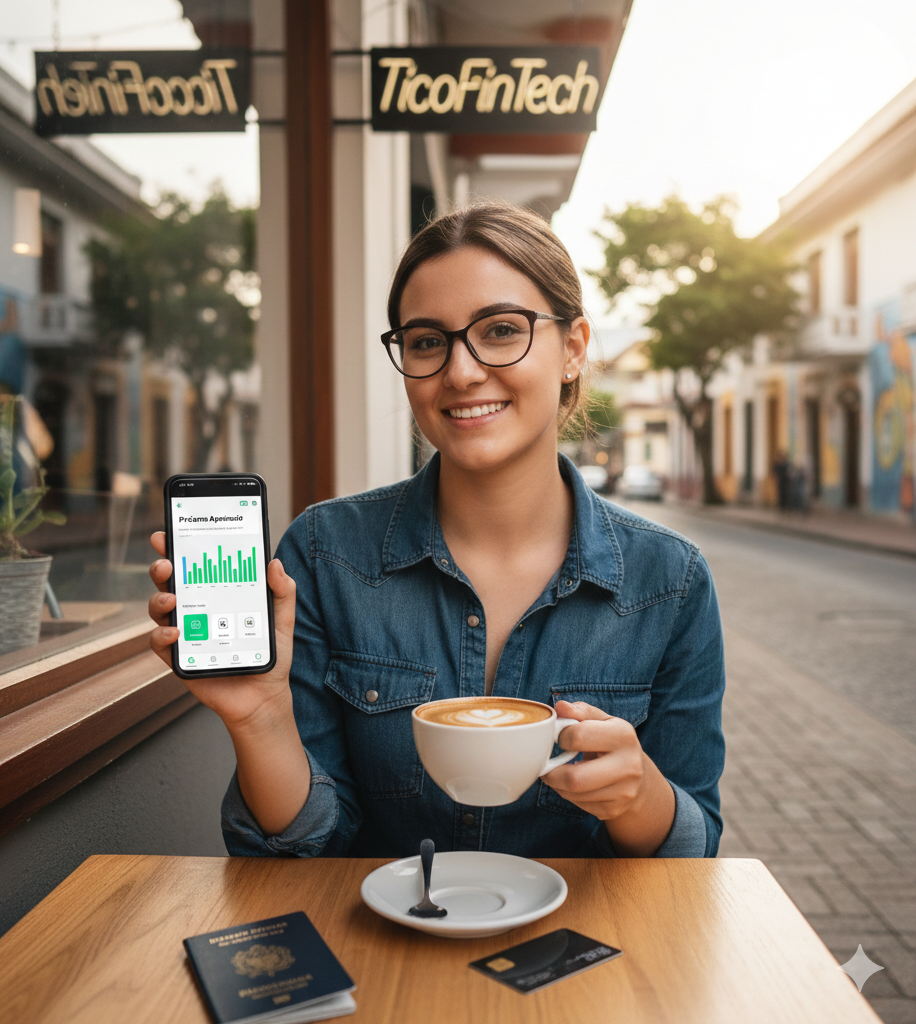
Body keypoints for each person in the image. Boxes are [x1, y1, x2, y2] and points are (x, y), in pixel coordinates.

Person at [147, 201, 725, 860]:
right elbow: (303, 851)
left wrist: (640, 796)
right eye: (426, 341)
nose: (461, 372)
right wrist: (260, 719)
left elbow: (694, 851)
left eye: (500, 330)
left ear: (572, 349)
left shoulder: (671, 580)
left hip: (590, 930)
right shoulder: (325, 555)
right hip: (379, 927)